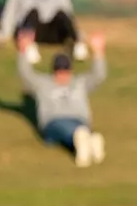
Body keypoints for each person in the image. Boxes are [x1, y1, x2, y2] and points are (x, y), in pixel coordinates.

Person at [17, 30, 109, 167]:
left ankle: (86, 142)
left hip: (79, 120)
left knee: (77, 130)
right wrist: (23, 51)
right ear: (54, 70)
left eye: (65, 70)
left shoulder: (80, 82)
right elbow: (25, 74)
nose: (62, 74)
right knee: (67, 130)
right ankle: (86, 139)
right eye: (59, 70)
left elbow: (98, 75)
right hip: (53, 123)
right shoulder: (43, 84)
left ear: (70, 70)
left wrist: (99, 52)